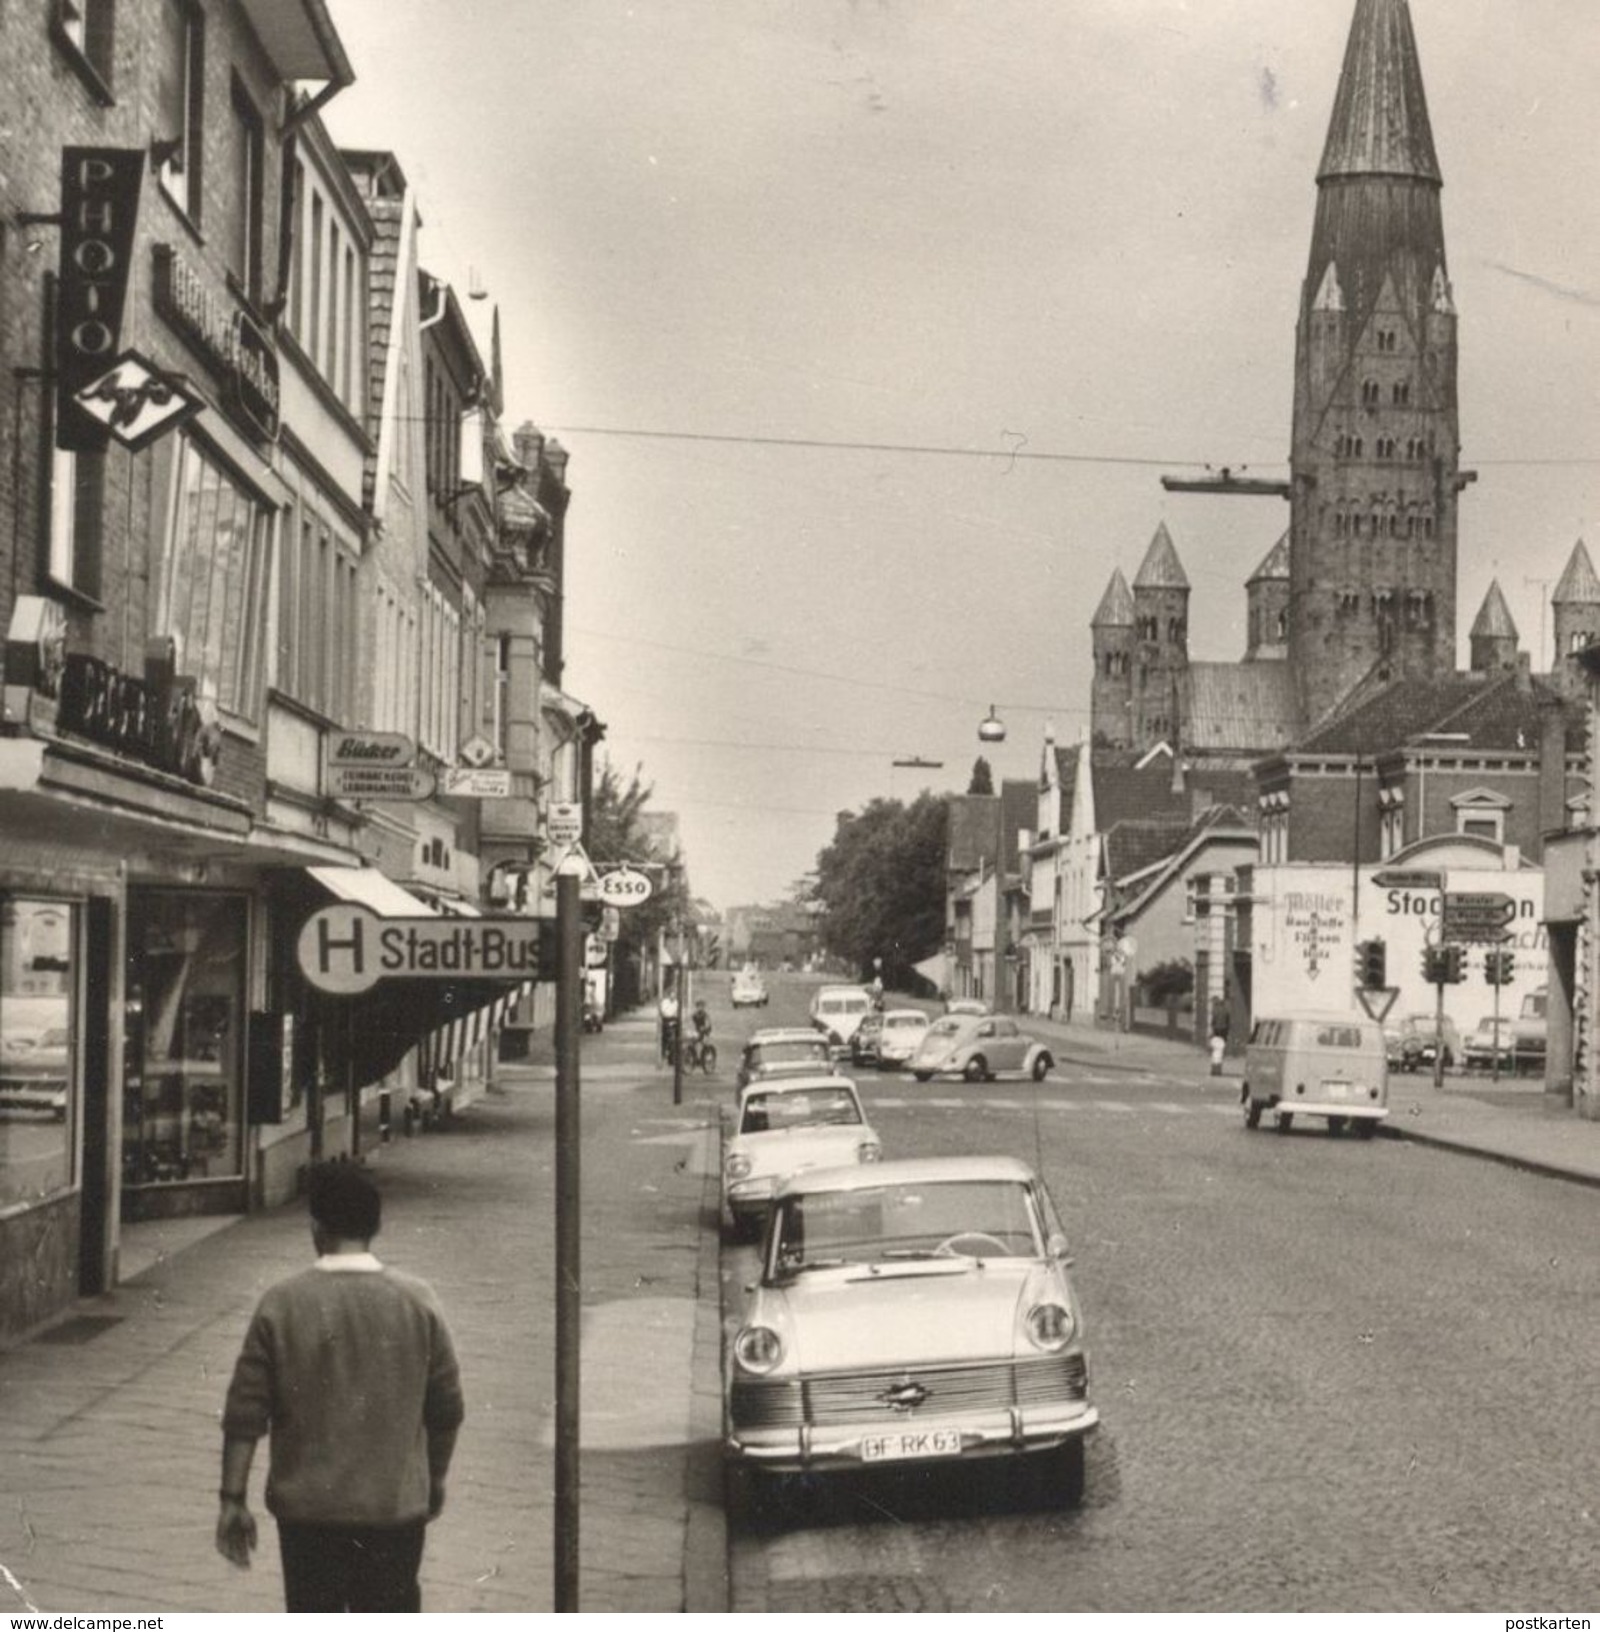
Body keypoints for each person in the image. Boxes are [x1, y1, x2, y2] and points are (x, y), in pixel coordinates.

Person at [216, 1160, 464, 1613]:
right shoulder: (418, 1300)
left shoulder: (281, 1304)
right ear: (376, 1226)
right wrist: (435, 1477)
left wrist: (232, 1499)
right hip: (393, 1511)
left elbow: (244, 1414)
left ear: (315, 1227)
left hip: (308, 1516)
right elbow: (447, 1407)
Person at [659, 988, 680, 1063]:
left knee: (675, 1037)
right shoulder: (665, 1002)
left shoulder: (676, 1003)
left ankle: (673, 1055)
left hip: (674, 1021)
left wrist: (673, 1016)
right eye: (671, 994)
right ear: (669, 995)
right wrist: (671, 1015)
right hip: (666, 1020)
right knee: (667, 1037)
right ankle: (666, 1053)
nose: (673, 995)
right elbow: (664, 1012)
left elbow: (676, 1012)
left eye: (674, 994)